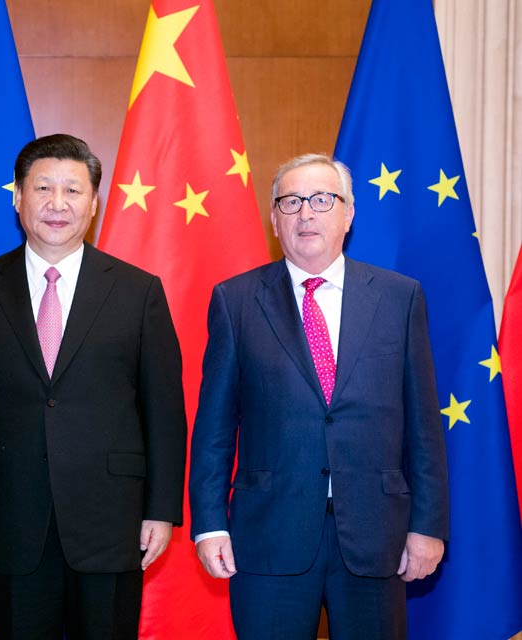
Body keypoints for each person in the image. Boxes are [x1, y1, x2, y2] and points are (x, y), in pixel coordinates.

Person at [189, 153, 449, 639]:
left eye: (322, 200)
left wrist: (428, 524)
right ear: (274, 220)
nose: (306, 213)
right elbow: (214, 430)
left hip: (377, 534)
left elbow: (423, 426)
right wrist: (209, 525)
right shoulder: (235, 301)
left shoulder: (400, 297)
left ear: (348, 214)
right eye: (291, 202)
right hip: (268, 536)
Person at [0, 133, 187, 639]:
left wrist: (161, 510)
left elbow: (164, 411)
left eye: (73, 191)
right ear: (18, 198)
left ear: (94, 203)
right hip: (10, 519)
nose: (58, 204)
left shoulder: (138, 291)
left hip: (112, 522)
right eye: (43, 188)